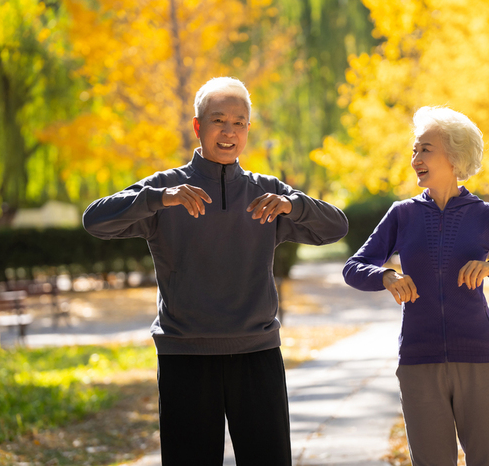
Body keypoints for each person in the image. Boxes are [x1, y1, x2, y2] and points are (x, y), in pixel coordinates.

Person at [82, 77, 348, 465]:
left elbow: (336, 227)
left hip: (257, 354)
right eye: (218, 120)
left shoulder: (266, 194)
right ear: (197, 126)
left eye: (239, 122)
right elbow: (95, 220)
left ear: (248, 131)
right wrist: (159, 199)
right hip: (185, 356)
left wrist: (294, 205)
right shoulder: (166, 190)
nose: (229, 131)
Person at [342, 106, 489, 465]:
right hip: (419, 362)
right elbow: (354, 267)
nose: (415, 158)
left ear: (454, 156)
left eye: (425, 149)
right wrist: (386, 276)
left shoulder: (486, 215)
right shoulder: (401, 214)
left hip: (481, 361)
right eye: (415, 149)